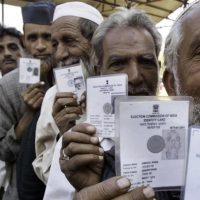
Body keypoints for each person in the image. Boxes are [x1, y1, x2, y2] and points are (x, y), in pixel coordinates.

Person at [53, 8, 161, 200]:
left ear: (159, 69)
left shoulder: (185, 134)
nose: (135, 77)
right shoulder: (78, 147)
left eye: (146, 61)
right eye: (118, 63)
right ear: (98, 72)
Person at [33, 1, 104, 186]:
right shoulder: (52, 96)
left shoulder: (120, 87)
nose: (60, 54)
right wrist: (62, 139)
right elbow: (43, 169)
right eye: (55, 44)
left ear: (96, 43)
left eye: (69, 41)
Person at [0, 1, 55, 200]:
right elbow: (3, 153)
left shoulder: (70, 79)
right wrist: (28, 116)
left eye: (47, 37)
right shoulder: (8, 86)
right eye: (33, 38)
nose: (40, 46)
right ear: (24, 41)